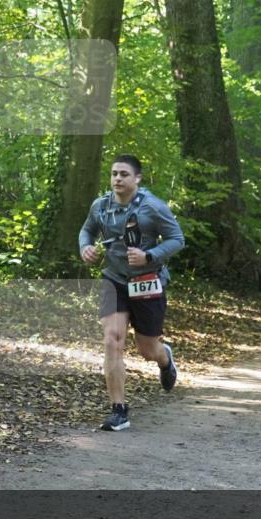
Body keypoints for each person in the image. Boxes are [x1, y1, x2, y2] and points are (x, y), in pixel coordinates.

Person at [79, 154, 185, 432]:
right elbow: (86, 231)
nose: (117, 179)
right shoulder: (101, 205)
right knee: (112, 340)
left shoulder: (153, 207)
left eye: (124, 174)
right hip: (113, 280)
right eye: (114, 174)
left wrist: (149, 255)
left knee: (147, 349)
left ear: (137, 178)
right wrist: (85, 248)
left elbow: (177, 239)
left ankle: (165, 358)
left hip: (147, 280)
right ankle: (119, 410)